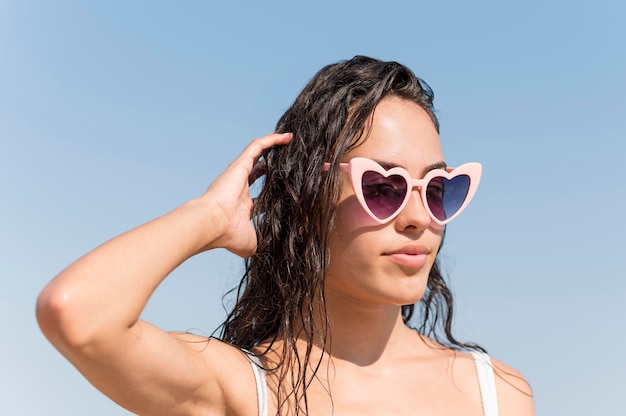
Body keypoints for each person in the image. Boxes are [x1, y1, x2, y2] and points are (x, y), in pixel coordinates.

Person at [37, 55, 534, 415]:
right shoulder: (243, 389)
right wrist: (210, 215)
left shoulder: (498, 395)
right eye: (383, 187)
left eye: (439, 189)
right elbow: (76, 313)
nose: (419, 217)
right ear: (308, 198)